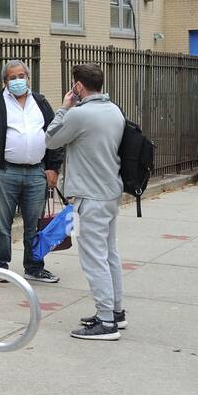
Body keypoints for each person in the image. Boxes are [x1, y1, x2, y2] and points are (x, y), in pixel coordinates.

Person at [44, 63, 126, 340]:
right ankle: (116, 311)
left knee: (94, 259)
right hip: (110, 192)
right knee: (109, 254)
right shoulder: (114, 110)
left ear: (78, 87)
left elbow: (50, 140)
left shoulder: (79, 115)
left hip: (90, 197)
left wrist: (64, 107)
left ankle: (106, 322)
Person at [0, 60, 63, 284]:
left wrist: (53, 167)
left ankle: (34, 266)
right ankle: (0, 267)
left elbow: (54, 135)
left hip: (36, 173)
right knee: (2, 223)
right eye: (12, 78)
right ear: (5, 81)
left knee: (34, 223)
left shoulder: (40, 102)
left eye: (21, 76)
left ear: (28, 78)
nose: (17, 81)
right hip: (4, 173)